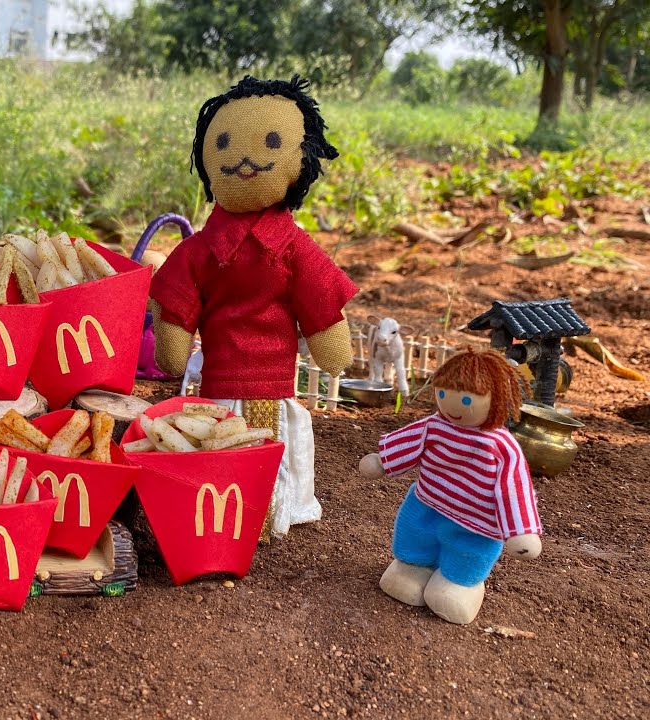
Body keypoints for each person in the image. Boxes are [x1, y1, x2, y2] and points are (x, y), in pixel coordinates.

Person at [149, 76, 356, 538]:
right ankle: (234, 519)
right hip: (220, 379)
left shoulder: (290, 248)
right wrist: (173, 339)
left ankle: (256, 518)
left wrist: (329, 338)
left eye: (272, 143)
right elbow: (177, 294)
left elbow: (320, 299)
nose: (243, 158)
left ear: (300, 160)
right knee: (224, 445)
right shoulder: (205, 249)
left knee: (258, 446)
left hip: (271, 381)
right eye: (224, 143)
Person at [359, 349, 542, 624]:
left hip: (475, 522)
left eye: (466, 400)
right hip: (428, 505)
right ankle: (413, 568)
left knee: (466, 556)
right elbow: (409, 443)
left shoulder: (500, 446)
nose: (451, 407)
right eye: (442, 394)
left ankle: (460, 584)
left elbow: (514, 487)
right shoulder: (435, 426)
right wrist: (383, 461)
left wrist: (521, 530)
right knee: (415, 538)